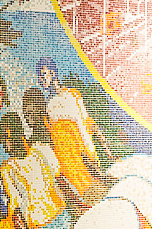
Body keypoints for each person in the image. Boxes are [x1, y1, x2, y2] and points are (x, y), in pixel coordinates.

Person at [37, 57, 111, 200]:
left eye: (43, 74)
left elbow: (88, 121)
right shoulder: (48, 107)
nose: (41, 80)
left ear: (53, 73)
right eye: (39, 77)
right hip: (71, 163)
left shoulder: (73, 94)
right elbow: (56, 140)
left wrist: (105, 148)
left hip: (87, 153)